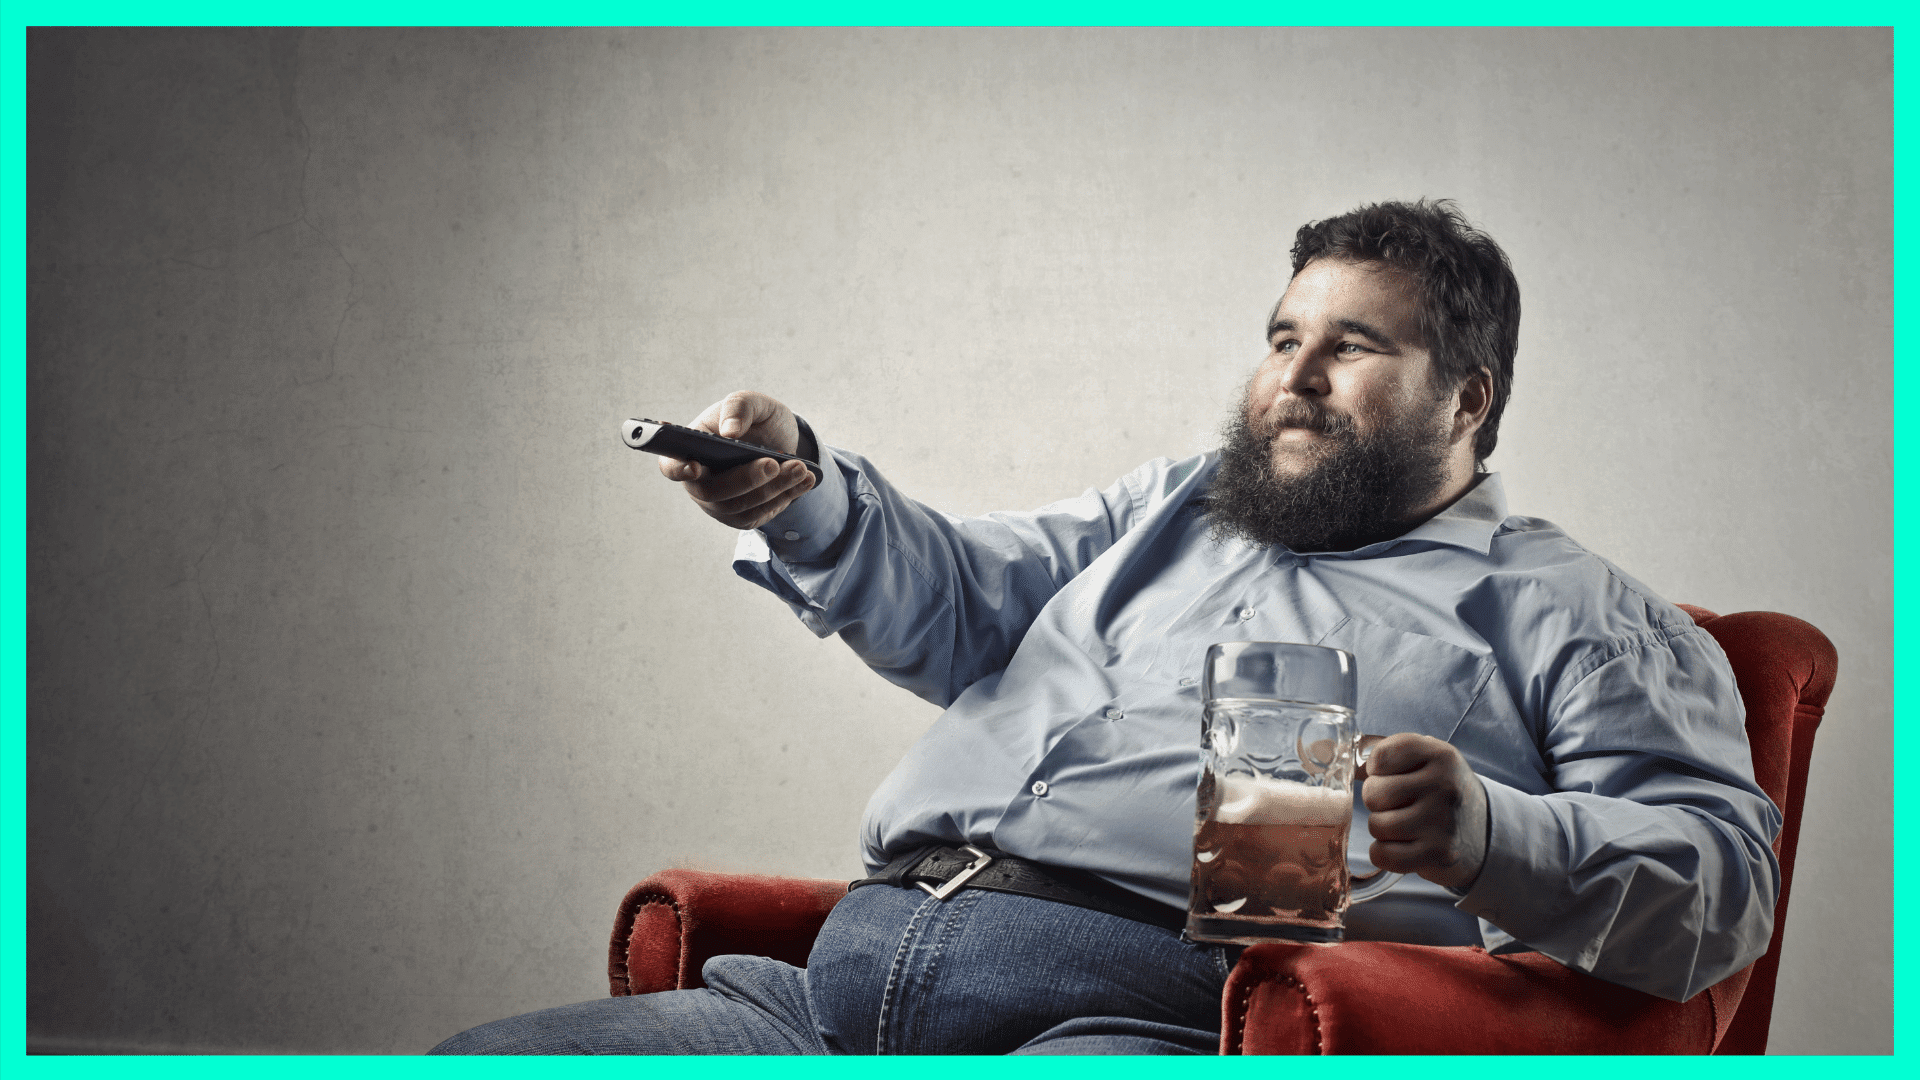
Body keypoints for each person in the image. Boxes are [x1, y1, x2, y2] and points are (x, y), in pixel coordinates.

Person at [431, 199, 1779, 1055]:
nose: (1293, 378)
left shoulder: (1574, 611)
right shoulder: (1173, 509)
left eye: (1352, 347)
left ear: (1470, 401)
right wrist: (806, 489)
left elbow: (1721, 884)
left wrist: (1496, 836)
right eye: (1280, 333)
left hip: (1131, 1018)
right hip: (821, 999)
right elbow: (961, 597)